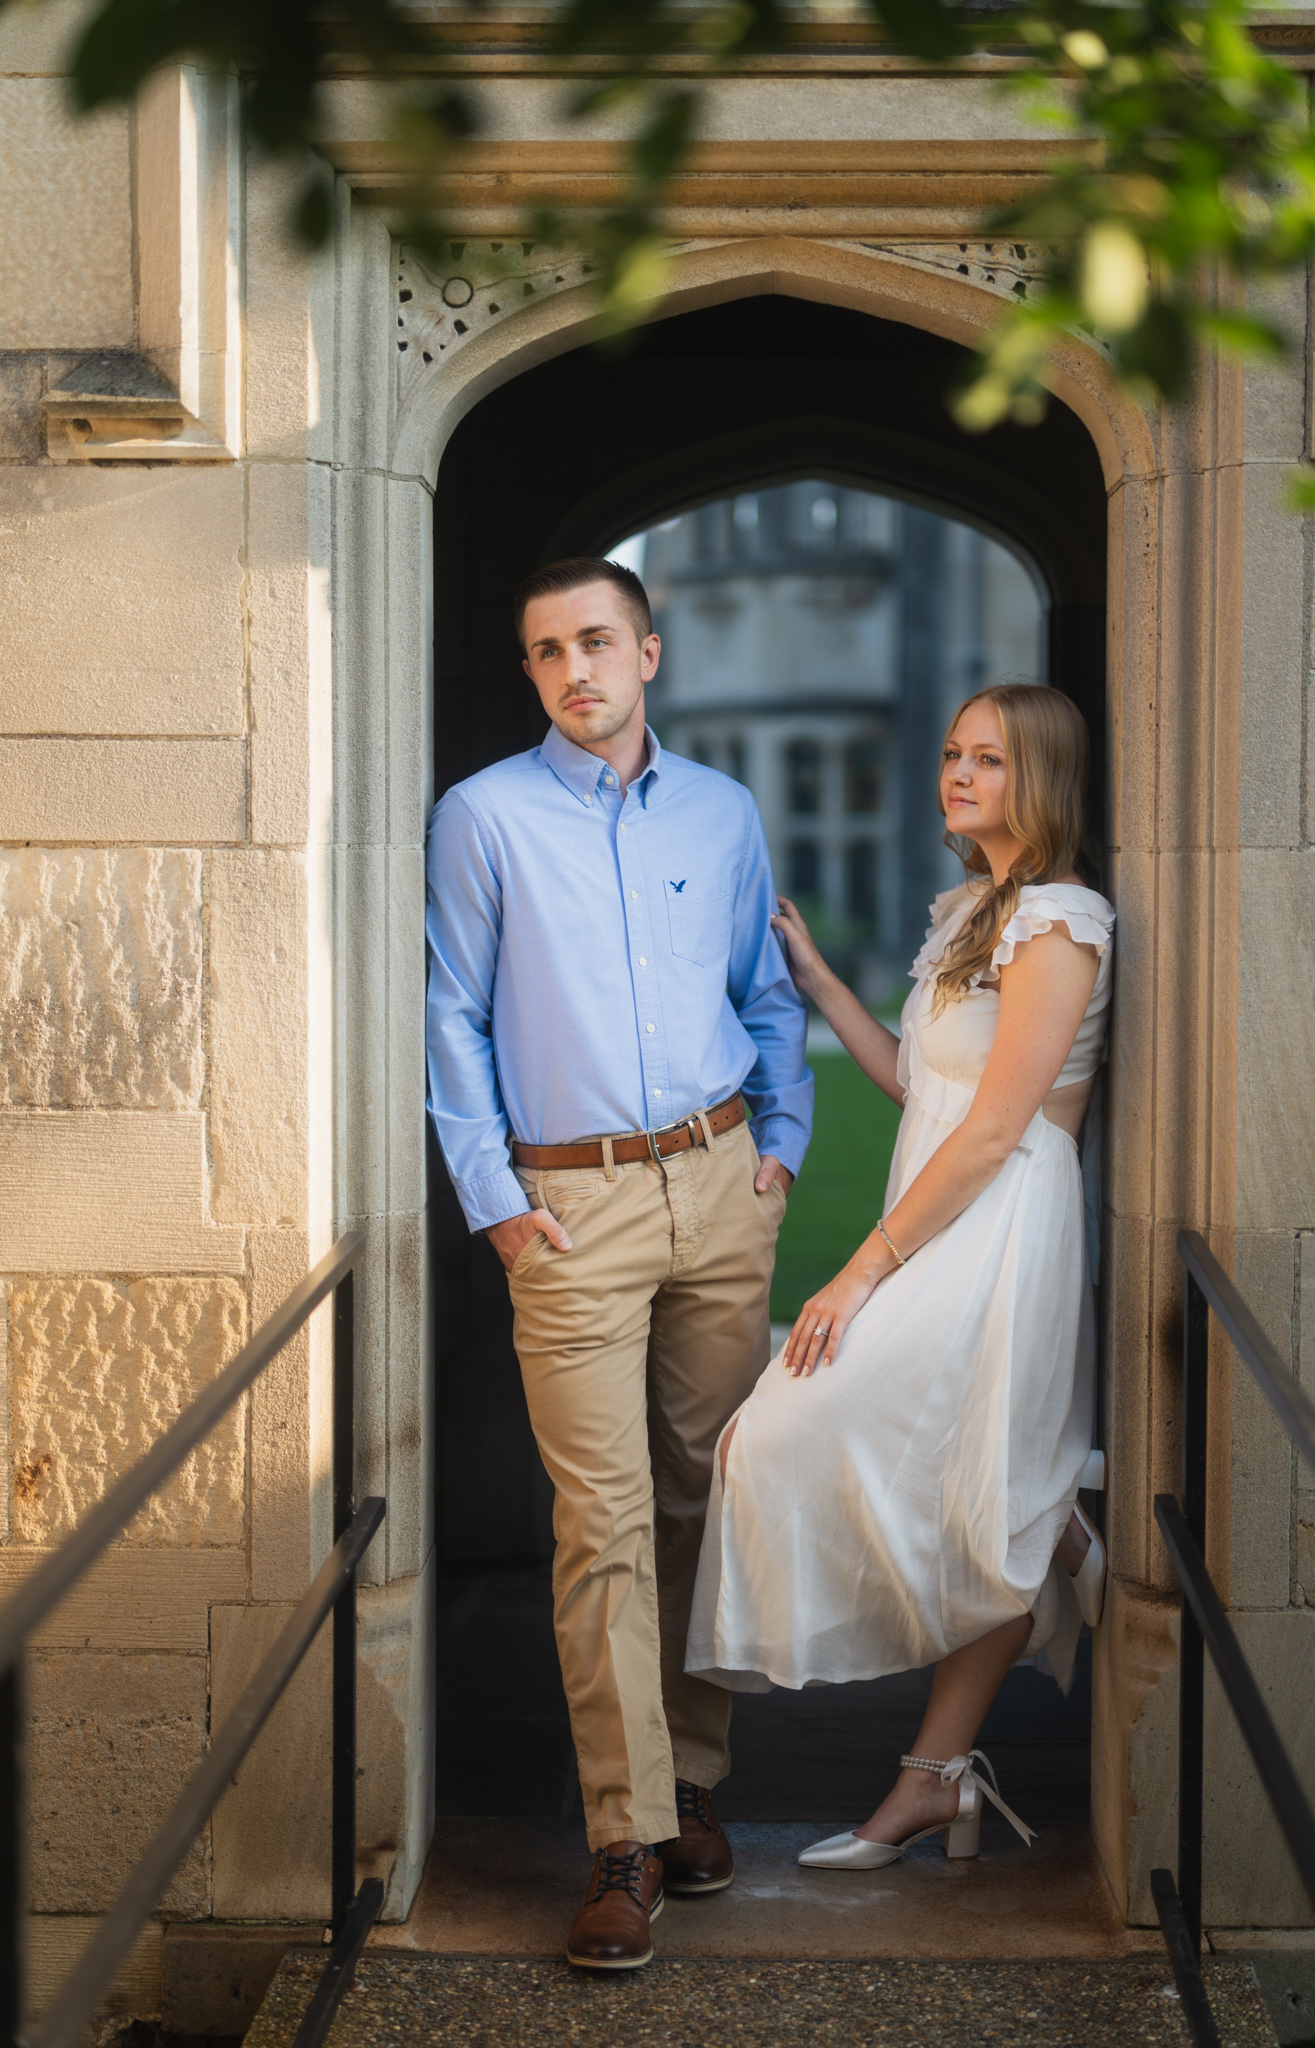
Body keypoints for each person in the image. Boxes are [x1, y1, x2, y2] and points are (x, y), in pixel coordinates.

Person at [425, 556, 812, 1967]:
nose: (571, 669)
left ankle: (691, 1784)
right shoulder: (482, 818)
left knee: (705, 1495)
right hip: (569, 1212)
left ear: (648, 654)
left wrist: (779, 1148)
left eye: (595, 642)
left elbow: (761, 992)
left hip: (719, 1189)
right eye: (544, 652)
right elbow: (451, 1016)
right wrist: (495, 1198)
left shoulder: (721, 812)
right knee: (602, 1523)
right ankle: (620, 1838)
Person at [686, 681, 1113, 1867]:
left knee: (779, 1429)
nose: (957, 773)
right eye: (952, 752)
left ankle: (946, 1742)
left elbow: (993, 1129)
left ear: (1042, 779)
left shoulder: (1065, 919)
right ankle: (1049, 1539)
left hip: (1001, 1222)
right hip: (945, 1207)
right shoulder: (975, 907)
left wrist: (854, 1273)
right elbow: (922, 1090)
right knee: (927, 1473)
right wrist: (820, 981)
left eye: (988, 758)